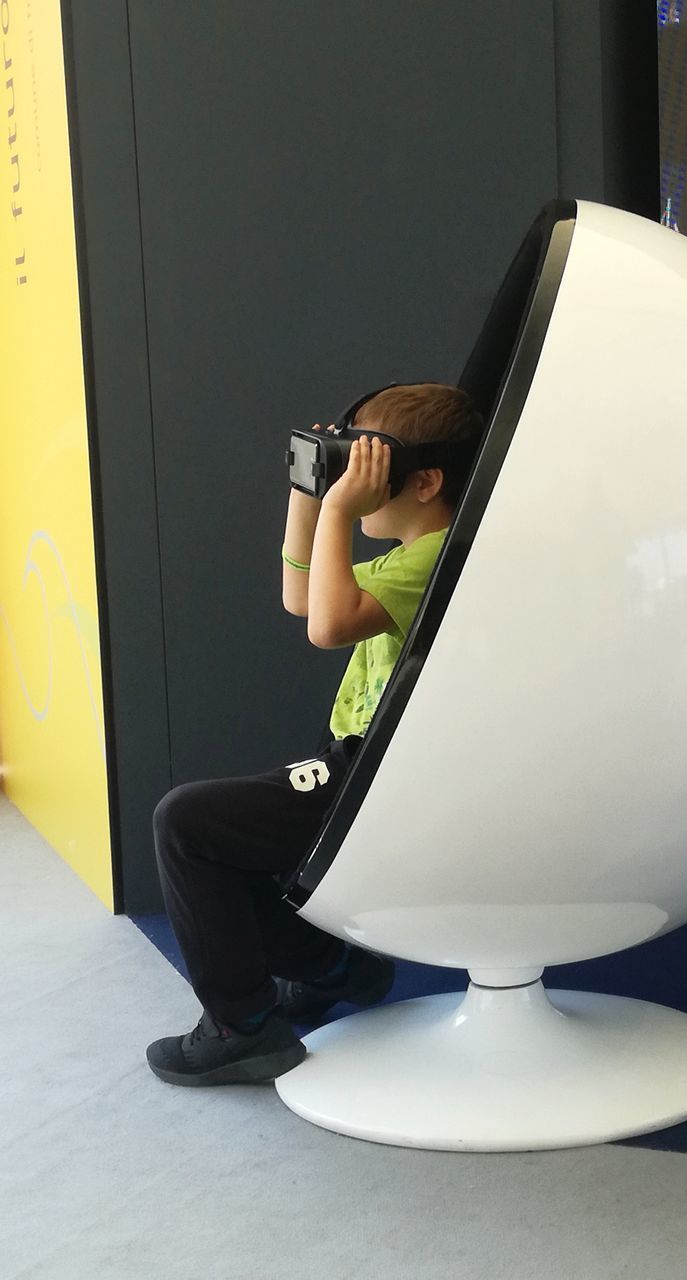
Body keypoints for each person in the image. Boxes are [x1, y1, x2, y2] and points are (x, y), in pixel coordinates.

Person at [146, 382, 482, 1086]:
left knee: (188, 825)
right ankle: (336, 966)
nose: (353, 485)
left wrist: (334, 509)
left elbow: (325, 627)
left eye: (368, 471)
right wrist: (311, 492)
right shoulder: (411, 554)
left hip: (382, 773)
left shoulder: (435, 560)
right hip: (366, 761)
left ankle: (243, 1027)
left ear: (424, 481)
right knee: (226, 845)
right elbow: (303, 596)